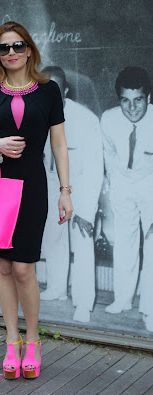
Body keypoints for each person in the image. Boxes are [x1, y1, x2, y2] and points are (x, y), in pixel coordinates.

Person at [0, 21, 73, 379]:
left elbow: (59, 145)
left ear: (29, 49)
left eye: (18, 46)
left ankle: (34, 341)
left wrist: (66, 191)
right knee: (3, 267)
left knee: (23, 267)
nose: (11, 53)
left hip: (32, 184)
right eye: (4, 48)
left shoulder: (49, 92)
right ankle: (11, 342)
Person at [41, 67, 103, 323]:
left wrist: (86, 211)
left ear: (65, 90)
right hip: (52, 183)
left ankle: (83, 303)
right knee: (54, 237)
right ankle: (57, 289)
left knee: (82, 241)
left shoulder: (86, 120)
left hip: (80, 186)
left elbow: (94, 169)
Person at [101, 66, 153, 332]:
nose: (132, 107)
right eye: (125, 100)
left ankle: (151, 308)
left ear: (149, 97)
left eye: (139, 100)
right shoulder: (108, 120)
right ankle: (123, 299)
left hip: (151, 186)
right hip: (123, 184)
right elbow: (110, 160)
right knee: (124, 243)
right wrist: (115, 194)